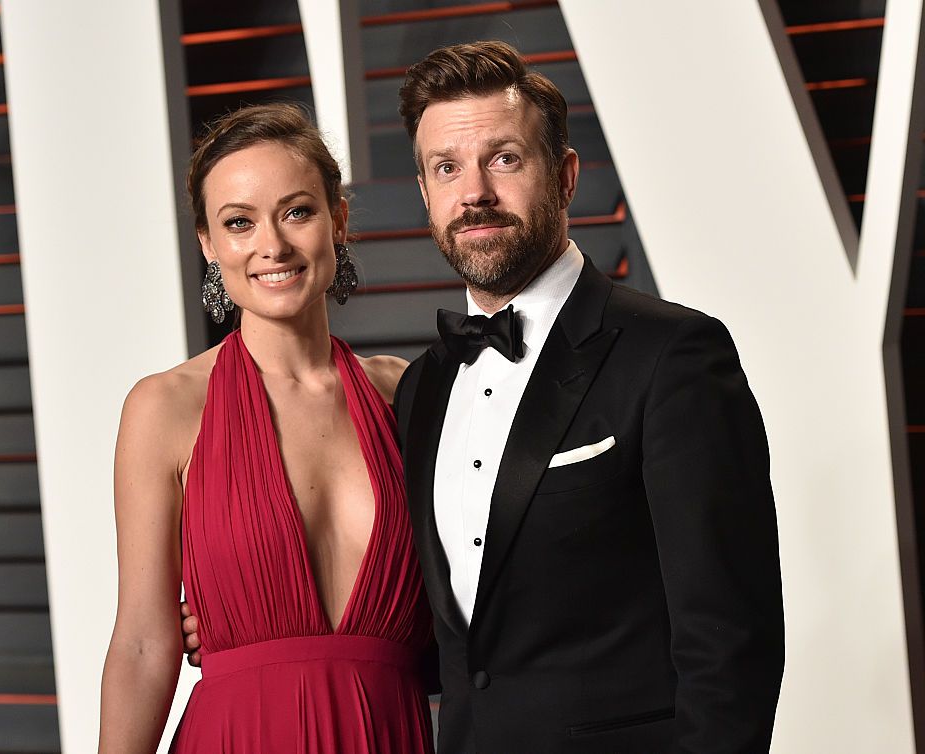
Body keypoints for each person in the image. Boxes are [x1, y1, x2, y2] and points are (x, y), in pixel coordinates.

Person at [185, 40, 785, 753]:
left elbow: (731, 642)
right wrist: (256, 626)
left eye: (504, 159)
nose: (474, 192)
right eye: (447, 168)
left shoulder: (672, 355)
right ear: (425, 194)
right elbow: (453, 629)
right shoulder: (423, 389)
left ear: (563, 177)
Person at [99, 104, 434, 753]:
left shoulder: (407, 395)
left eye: (297, 211)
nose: (271, 246)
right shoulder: (164, 408)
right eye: (238, 222)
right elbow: (142, 641)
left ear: (337, 220)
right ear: (207, 242)